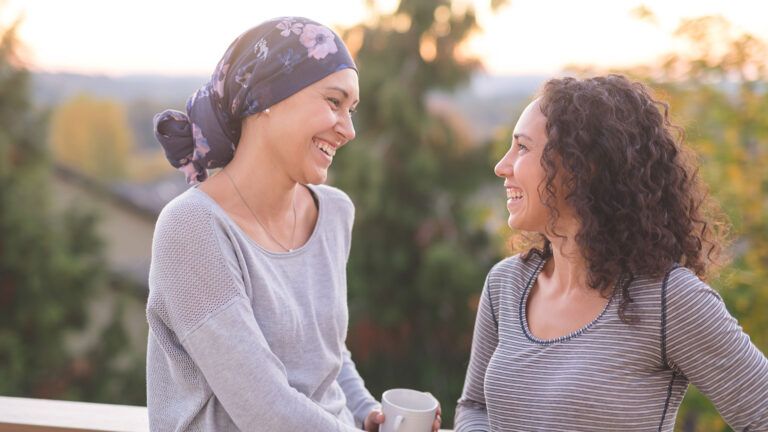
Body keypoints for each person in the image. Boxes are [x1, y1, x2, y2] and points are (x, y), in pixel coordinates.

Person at [146, 17, 440, 432]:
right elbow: (264, 409)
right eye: (333, 102)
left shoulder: (334, 213)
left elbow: (326, 355)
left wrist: (366, 411)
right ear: (266, 97)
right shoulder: (192, 228)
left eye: (351, 110)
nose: (349, 130)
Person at [454, 75, 768, 431]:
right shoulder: (506, 285)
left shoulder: (669, 300)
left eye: (523, 148)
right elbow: (476, 406)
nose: (502, 166)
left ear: (580, 167)